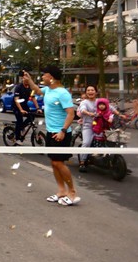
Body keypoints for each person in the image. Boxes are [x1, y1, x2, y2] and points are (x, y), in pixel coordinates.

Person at [24, 66, 80, 206]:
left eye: (44, 75)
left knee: (58, 163)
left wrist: (62, 130)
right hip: (51, 131)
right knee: (54, 163)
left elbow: (71, 113)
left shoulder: (63, 93)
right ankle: (61, 191)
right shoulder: (48, 90)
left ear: (51, 77)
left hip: (61, 133)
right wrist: (29, 80)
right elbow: (37, 90)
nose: (42, 77)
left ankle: (72, 192)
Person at [12, 71, 40, 145]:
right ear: (22, 78)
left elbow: (33, 98)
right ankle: (17, 138)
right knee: (19, 120)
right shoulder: (18, 87)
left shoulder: (31, 88)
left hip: (24, 105)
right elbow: (16, 100)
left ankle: (21, 127)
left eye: (27, 76)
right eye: (24, 77)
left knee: (32, 116)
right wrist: (21, 110)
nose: (26, 78)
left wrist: (38, 108)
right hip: (17, 106)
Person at [77, 85, 98, 173]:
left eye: (92, 90)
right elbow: (82, 110)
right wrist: (89, 113)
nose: (90, 92)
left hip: (100, 126)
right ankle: (82, 162)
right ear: (86, 93)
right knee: (86, 143)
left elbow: (109, 108)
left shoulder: (100, 101)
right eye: (88, 90)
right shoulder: (84, 102)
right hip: (88, 126)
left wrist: (120, 115)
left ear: (96, 92)